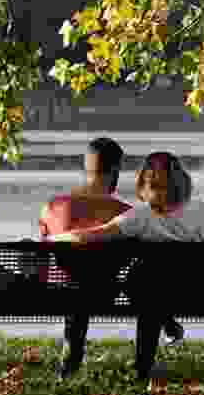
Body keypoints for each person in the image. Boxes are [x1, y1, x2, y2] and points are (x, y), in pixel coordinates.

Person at [63, 151, 204, 383]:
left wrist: (58, 238)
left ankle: (142, 370)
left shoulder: (140, 216)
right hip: (192, 291)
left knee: (147, 290)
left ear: (143, 183)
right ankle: (161, 336)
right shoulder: (202, 210)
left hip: (146, 293)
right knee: (151, 291)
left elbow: (92, 236)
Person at [37, 138, 184, 381]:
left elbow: (42, 258)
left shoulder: (52, 207)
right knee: (149, 282)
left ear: (86, 168)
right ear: (115, 169)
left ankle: (71, 359)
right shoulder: (126, 214)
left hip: (62, 293)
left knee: (78, 285)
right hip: (107, 292)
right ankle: (144, 367)